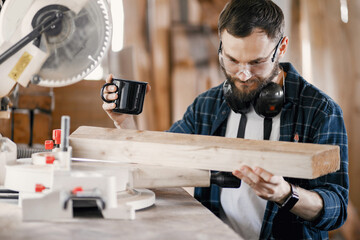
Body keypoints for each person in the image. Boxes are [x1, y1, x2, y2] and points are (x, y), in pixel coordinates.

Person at [102, 0, 349, 239]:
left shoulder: (321, 111)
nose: (243, 75)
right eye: (232, 60)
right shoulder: (207, 105)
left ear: (281, 47)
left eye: (256, 62)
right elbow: (158, 160)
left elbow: (336, 209)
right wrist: (125, 123)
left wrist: (287, 194)